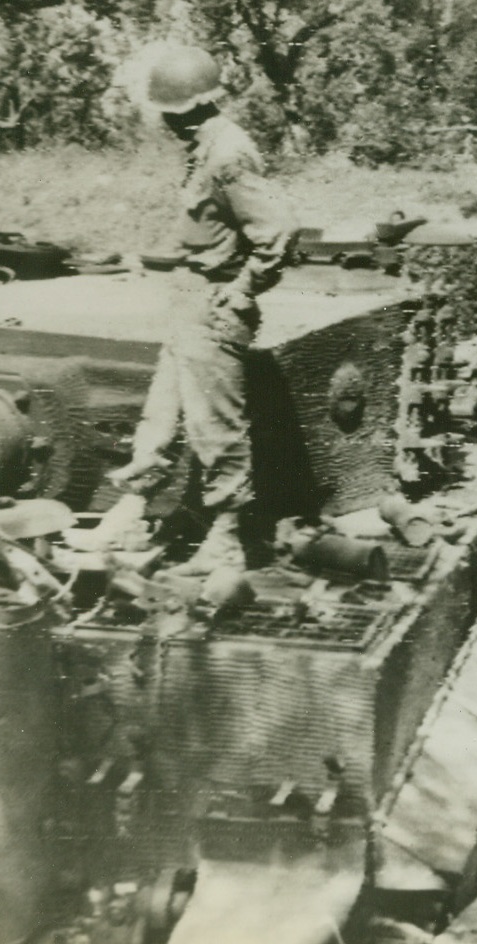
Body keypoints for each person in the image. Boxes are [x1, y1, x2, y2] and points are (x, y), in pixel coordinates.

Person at [73, 46, 295, 574]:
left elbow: (278, 230)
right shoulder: (205, 146)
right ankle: (133, 512)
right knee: (160, 419)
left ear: (195, 108)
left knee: (215, 429)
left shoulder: (228, 155)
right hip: (189, 298)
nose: (168, 125)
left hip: (213, 307)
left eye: (172, 115)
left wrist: (243, 289)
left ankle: (225, 543)